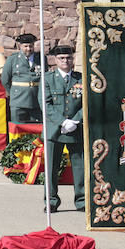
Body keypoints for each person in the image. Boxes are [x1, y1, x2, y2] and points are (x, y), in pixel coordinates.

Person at [43, 45, 84, 214]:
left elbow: (87, 102)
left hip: (76, 129)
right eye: (61, 58)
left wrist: (75, 120)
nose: (65, 61)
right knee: (51, 168)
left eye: (68, 58)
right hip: (55, 130)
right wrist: (62, 122)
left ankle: (81, 200)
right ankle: (51, 200)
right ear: (55, 60)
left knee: (80, 167)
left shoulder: (80, 79)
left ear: (72, 59)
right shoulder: (47, 79)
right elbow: (46, 104)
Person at [2, 33, 42, 126]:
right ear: (20, 46)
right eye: (25, 46)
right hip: (19, 101)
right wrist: (13, 93)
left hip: (36, 101)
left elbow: (45, 77)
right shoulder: (13, 59)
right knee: (18, 129)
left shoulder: (41, 59)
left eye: (31, 46)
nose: (28, 49)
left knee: (36, 130)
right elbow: (5, 80)